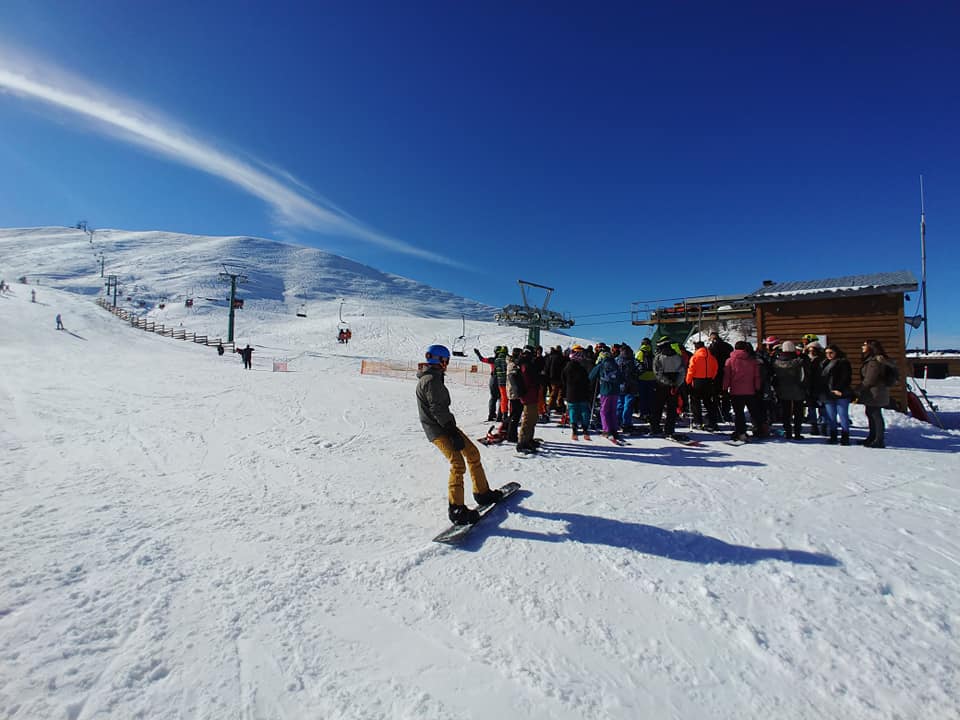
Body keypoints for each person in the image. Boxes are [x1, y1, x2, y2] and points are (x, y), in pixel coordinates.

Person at [416, 344, 500, 525]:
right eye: (446, 360)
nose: (447, 364)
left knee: (472, 453)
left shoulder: (433, 377)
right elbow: (437, 409)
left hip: (446, 426)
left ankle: (482, 492)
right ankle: (456, 508)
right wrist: (451, 431)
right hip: (439, 430)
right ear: (440, 360)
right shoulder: (431, 380)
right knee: (458, 463)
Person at [723, 341, 762, 441]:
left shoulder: (729, 361)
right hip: (750, 390)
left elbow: (727, 377)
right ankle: (758, 430)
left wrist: (724, 388)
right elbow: (757, 376)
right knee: (754, 412)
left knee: (739, 413)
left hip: (736, 391)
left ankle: (741, 432)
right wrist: (757, 388)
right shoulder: (752, 361)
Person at [857, 339, 891, 448]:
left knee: (875, 415)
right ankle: (872, 437)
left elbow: (870, 379)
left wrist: (858, 389)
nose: (862, 346)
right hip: (873, 392)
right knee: (871, 413)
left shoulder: (874, 362)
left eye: (865, 345)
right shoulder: (873, 360)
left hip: (875, 393)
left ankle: (879, 439)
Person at [772, 340, 808, 439]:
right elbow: (803, 376)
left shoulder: (776, 362)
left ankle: (787, 431)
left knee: (785, 412)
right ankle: (797, 432)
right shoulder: (799, 361)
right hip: (798, 389)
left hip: (782, 389)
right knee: (798, 412)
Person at [651, 336, 685, 438]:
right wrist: (676, 384)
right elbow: (682, 372)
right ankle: (669, 429)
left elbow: (657, 373)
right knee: (672, 409)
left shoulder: (658, 357)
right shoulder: (678, 357)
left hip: (661, 385)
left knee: (658, 408)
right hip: (674, 386)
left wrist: (667, 382)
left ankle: (655, 427)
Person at [589, 345, 623, 442]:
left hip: (605, 390)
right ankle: (614, 429)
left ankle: (606, 430)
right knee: (612, 410)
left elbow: (591, 376)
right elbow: (621, 378)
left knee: (604, 411)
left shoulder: (601, 364)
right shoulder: (615, 364)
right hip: (616, 391)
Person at [821, 343, 853, 445]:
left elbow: (846, 377)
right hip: (827, 392)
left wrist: (839, 389)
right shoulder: (824, 363)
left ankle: (845, 436)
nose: (829, 355)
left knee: (843, 415)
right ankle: (833, 436)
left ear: (836, 352)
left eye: (831, 353)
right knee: (831, 416)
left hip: (841, 393)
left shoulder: (843, 362)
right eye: (826, 353)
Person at [686, 340, 720, 430]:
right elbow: (716, 369)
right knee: (708, 402)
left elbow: (691, 370)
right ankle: (712, 421)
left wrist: (688, 381)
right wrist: (711, 378)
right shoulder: (711, 357)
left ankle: (698, 422)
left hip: (697, 381)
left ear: (696, 348)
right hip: (708, 381)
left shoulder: (695, 357)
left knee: (695, 402)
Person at [562, 344, 592, 440]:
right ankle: (585, 427)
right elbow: (587, 381)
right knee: (584, 410)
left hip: (571, 392)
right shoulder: (582, 368)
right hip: (582, 392)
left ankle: (574, 427)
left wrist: (564, 392)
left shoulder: (567, 367)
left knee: (573, 410)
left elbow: (563, 380)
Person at [474, 347, 502, 422]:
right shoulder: (503, 361)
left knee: (493, 398)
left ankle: (491, 415)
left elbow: (482, 359)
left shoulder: (492, 360)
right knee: (501, 398)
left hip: (493, 380)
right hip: (501, 380)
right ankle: (500, 416)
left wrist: (478, 353)